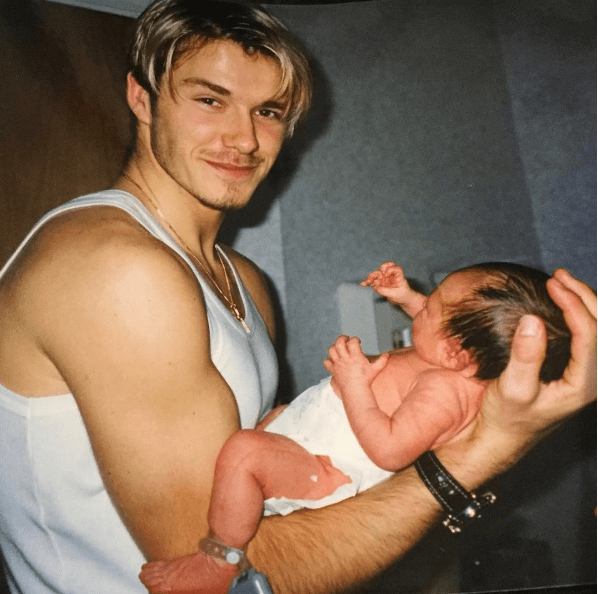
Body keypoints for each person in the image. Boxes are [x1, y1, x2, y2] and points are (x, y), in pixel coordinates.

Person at [0, 1, 594, 593]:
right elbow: (242, 574)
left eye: (268, 111)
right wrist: (488, 447)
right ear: (141, 97)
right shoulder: (118, 271)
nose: (243, 138)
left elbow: (279, 487)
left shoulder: (246, 281)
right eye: (209, 100)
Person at [138, 260, 572, 593]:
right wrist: (404, 294)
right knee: (261, 435)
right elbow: (437, 319)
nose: (420, 308)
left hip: (333, 465)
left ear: (456, 353)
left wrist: (354, 383)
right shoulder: (454, 358)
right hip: (320, 430)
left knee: (245, 452)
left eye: (430, 307)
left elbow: (389, 450)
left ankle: (219, 559)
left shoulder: (447, 394)